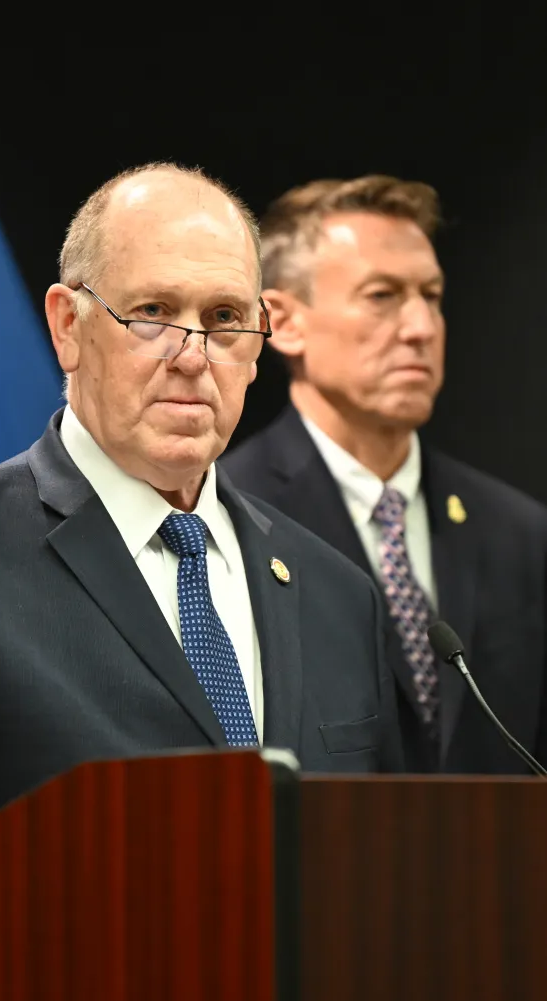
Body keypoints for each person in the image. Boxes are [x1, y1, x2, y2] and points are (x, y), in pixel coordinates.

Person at [0, 163, 403, 914]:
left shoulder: (337, 592)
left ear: (258, 343)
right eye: (153, 310)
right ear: (67, 325)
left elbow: (387, 882)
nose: (192, 353)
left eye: (223, 317)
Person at [222, 174, 547, 774]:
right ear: (283, 323)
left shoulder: (520, 534)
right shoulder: (225, 519)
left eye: (431, 295)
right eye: (382, 295)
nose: (421, 327)